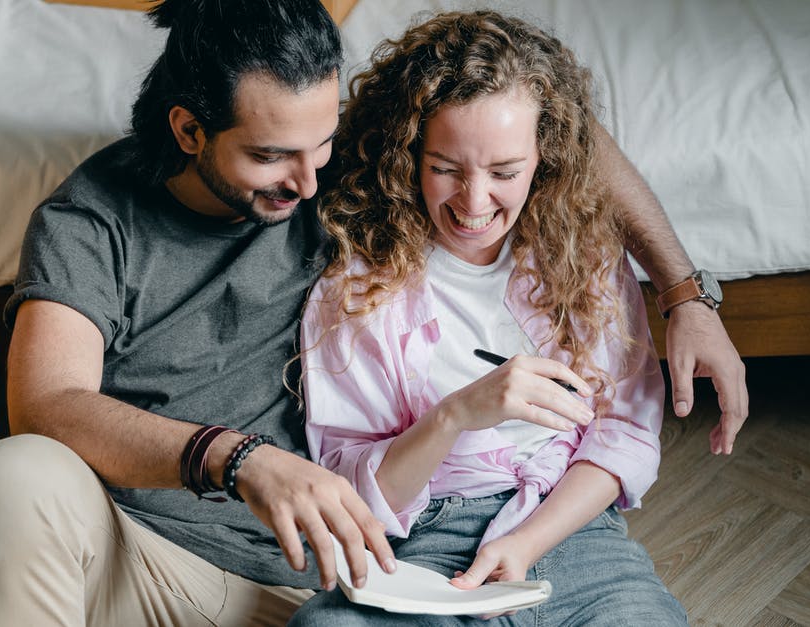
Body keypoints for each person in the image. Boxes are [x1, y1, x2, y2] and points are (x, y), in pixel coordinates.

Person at [0, 1, 740, 624]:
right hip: (153, 560)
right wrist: (241, 458)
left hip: (334, 574)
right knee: (13, 473)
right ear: (188, 129)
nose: (305, 183)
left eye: (321, 144)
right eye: (268, 156)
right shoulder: (93, 221)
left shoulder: (336, 157)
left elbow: (547, 120)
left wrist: (683, 292)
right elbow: (46, 405)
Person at [290, 10, 685, 625]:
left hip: (568, 528)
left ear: (544, 161)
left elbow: (625, 433)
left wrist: (528, 542)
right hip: (422, 543)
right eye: (445, 169)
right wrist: (455, 415)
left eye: (504, 173)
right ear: (409, 154)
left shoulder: (584, 258)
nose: (474, 203)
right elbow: (352, 489)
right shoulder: (355, 293)